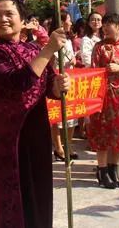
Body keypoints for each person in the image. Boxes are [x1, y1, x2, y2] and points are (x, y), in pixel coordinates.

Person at [0, 0, 70, 228]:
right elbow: (18, 82)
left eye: (9, 13)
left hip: (36, 133)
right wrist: (48, 49)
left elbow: (48, 88)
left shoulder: (32, 50)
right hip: (6, 139)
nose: (2, 19)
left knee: (36, 195)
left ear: (22, 18)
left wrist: (60, 87)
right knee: (8, 199)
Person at [88, 13, 119, 189]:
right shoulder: (99, 47)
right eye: (105, 24)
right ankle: (102, 171)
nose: (106, 27)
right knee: (103, 132)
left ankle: (113, 169)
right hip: (104, 94)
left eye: (110, 24)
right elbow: (93, 71)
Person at [50, 12, 78, 162]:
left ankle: (68, 145)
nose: (71, 23)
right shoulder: (52, 39)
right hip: (57, 81)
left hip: (70, 79)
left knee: (71, 115)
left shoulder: (68, 40)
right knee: (57, 116)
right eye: (68, 20)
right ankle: (59, 147)